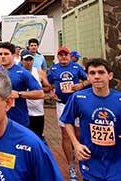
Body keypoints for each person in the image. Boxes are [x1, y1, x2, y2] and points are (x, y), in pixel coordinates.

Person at [60, 58, 121, 181]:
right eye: (92, 73)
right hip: (91, 160)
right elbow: (67, 121)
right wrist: (76, 144)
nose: (97, 77)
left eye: (101, 72)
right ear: (88, 77)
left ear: (109, 76)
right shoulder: (78, 98)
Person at [47, 46, 88, 181]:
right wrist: (51, 93)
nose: (64, 57)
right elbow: (48, 85)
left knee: (78, 134)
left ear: (69, 56)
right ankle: (71, 166)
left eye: (66, 55)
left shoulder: (76, 67)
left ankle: (81, 160)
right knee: (65, 135)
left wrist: (81, 85)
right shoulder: (53, 69)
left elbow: (88, 79)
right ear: (58, 57)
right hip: (62, 105)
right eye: (61, 55)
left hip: (77, 105)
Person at [0, 42, 44, 127]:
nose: (3, 56)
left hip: (18, 119)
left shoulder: (23, 72)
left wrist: (19, 94)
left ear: (13, 55)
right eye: (0, 54)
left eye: (6, 54)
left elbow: (40, 93)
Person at [20, 50, 52, 140]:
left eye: (30, 59)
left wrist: (37, 91)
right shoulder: (18, 73)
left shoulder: (38, 72)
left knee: (38, 137)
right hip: (23, 111)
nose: (28, 62)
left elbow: (48, 87)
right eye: (26, 60)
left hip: (38, 111)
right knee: (24, 137)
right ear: (21, 61)